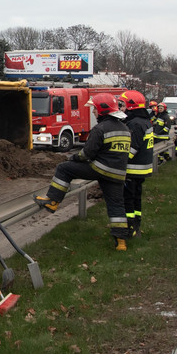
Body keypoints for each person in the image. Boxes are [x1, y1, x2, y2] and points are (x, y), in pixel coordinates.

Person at [34, 93, 132, 251]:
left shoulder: (100, 129)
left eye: (94, 109)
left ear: (101, 110)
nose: (93, 112)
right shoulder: (125, 129)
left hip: (99, 169)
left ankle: (52, 201)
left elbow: (87, 154)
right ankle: (121, 241)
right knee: (116, 206)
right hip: (118, 174)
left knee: (64, 168)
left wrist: (73, 157)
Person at [119, 90, 154, 239]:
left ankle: (131, 228)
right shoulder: (145, 121)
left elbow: (131, 149)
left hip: (132, 170)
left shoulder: (135, 124)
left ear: (131, 106)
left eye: (122, 105)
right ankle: (136, 224)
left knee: (128, 200)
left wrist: (117, 161)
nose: (120, 108)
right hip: (141, 169)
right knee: (136, 198)